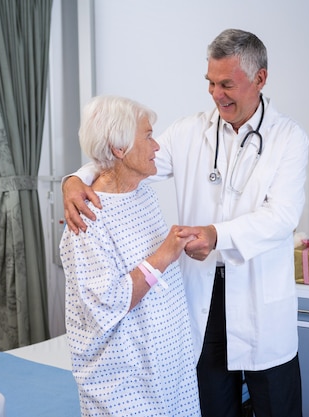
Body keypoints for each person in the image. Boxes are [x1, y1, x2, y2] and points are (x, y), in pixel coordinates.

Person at [63, 29, 309, 417]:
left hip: (260, 296)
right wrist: (75, 178)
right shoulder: (189, 131)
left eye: (226, 84)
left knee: (278, 407)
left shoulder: (288, 138)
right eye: (210, 83)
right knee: (211, 407)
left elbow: (282, 217)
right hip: (202, 296)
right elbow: (126, 155)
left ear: (259, 79)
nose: (216, 94)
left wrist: (216, 235)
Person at [60, 95, 201, 417]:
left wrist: (179, 247)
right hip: (125, 383)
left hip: (169, 371)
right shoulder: (87, 218)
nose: (157, 147)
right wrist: (165, 255)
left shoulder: (142, 193)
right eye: (149, 136)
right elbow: (107, 303)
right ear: (120, 148)